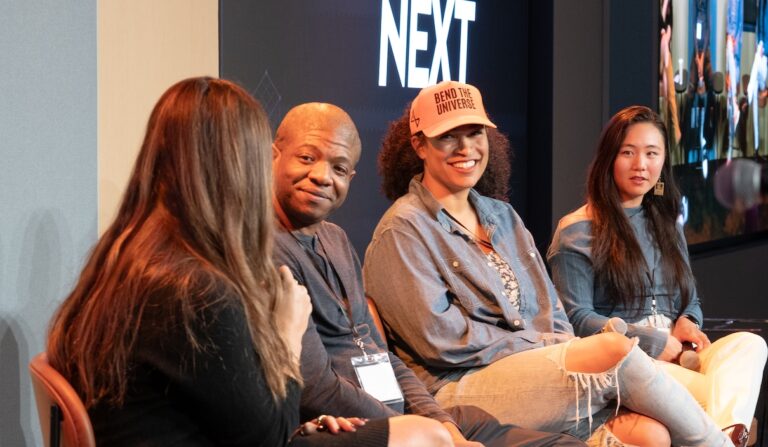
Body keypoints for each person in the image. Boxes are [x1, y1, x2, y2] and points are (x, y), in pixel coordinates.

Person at [44, 77, 451, 447]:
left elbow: (233, 410)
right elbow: (266, 437)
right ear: (236, 168)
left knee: (428, 432)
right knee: (424, 438)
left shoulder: (129, 255)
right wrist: (288, 334)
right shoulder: (195, 291)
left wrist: (303, 424)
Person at [363, 80, 735, 446]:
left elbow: (552, 309)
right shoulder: (403, 230)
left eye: (475, 133)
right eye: (447, 136)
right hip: (459, 388)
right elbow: (442, 342)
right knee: (614, 350)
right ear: (419, 145)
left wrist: (554, 347)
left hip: (537, 372)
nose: (466, 148)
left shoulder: (502, 216)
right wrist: (543, 346)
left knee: (651, 435)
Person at [271, 102, 585, 447]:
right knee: (610, 359)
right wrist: (415, 428)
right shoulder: (267, 249)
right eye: (307, 158)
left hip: (405, 413)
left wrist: (438, 422)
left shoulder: (336, 239)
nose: (322, 175)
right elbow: (316, 386)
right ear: (273, 156)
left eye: (339, 167)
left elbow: (379, 353)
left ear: (351, 178)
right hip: (350, 427)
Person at [547, 105, 767, 447]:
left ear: (663, 161)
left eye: (652, 153)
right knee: (720, 392)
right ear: (609, 158)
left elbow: (689, 298)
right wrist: (650, 341)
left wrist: (689, 321)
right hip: (628, 363)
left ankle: (724, 439)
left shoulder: (667, 223)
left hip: (681, 356)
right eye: (628, 153)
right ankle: (728, 436)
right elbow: (576, 319)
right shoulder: (577, 230)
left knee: (749, 345)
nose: (641, 165)